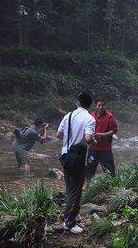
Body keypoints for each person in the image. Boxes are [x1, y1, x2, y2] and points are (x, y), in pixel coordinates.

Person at [56, 92, 96, 234]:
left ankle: (74, 213)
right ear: (90, 105)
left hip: (66, 156)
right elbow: (88, 138)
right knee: (76, 190)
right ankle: (69, 222)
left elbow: (58, 135)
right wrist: (93, 141)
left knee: (69, 187)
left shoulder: (68, 116)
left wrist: (70, 139)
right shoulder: (90, 119)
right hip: (78, 159)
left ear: (77, 102)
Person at [85, 98, 118, 183]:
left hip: (105, 150)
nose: (101, 107)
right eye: (99, 105)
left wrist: (102, 135)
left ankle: (111, 188)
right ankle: (89, 188)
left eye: (102, 105)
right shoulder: (91, 116)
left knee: (110, 172)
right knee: (90, 170)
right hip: (93, 149)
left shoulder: (109, 116)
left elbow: (114, 130)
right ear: (95, 106)